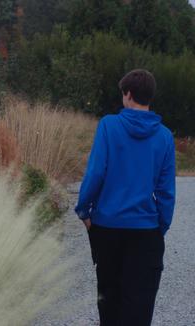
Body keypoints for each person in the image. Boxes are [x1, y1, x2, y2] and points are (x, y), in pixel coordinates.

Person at [74, 69, 176, 326]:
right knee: (139, 310)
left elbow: (96, 172)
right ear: (149, 97)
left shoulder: (108, 125)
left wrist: (84, 211)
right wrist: (159, 227)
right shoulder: (165, 136)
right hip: (146, 232)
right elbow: (165, 192)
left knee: (110, 305)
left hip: (107, 230)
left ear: (128, 94)